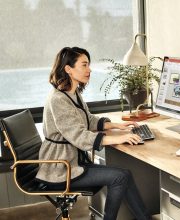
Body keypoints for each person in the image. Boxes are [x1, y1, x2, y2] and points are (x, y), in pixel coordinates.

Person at [35, 47, 151, 220]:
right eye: (84, 65)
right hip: (61, 169)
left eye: (88, 65)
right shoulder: (58, 99)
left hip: (73, 162)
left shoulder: (72, 93)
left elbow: (87, 120)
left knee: (124, 175)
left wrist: (118, 126)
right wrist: (120, 138)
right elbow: (80, 136)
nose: (89, 70)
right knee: (120, 177)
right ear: (68, 69)